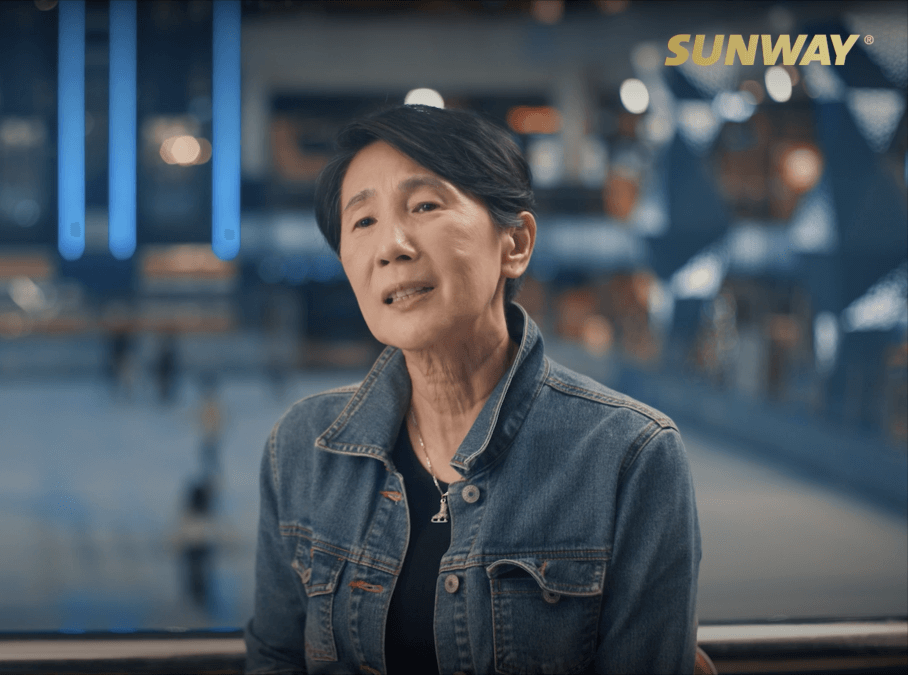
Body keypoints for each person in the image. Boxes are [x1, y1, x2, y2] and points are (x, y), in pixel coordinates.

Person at [244, 105, 701, 674]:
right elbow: (276, 660)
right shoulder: (304, 447)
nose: (392, 245)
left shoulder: (627, 456)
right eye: (361, 222)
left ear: (515, 244)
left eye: (425, 206)